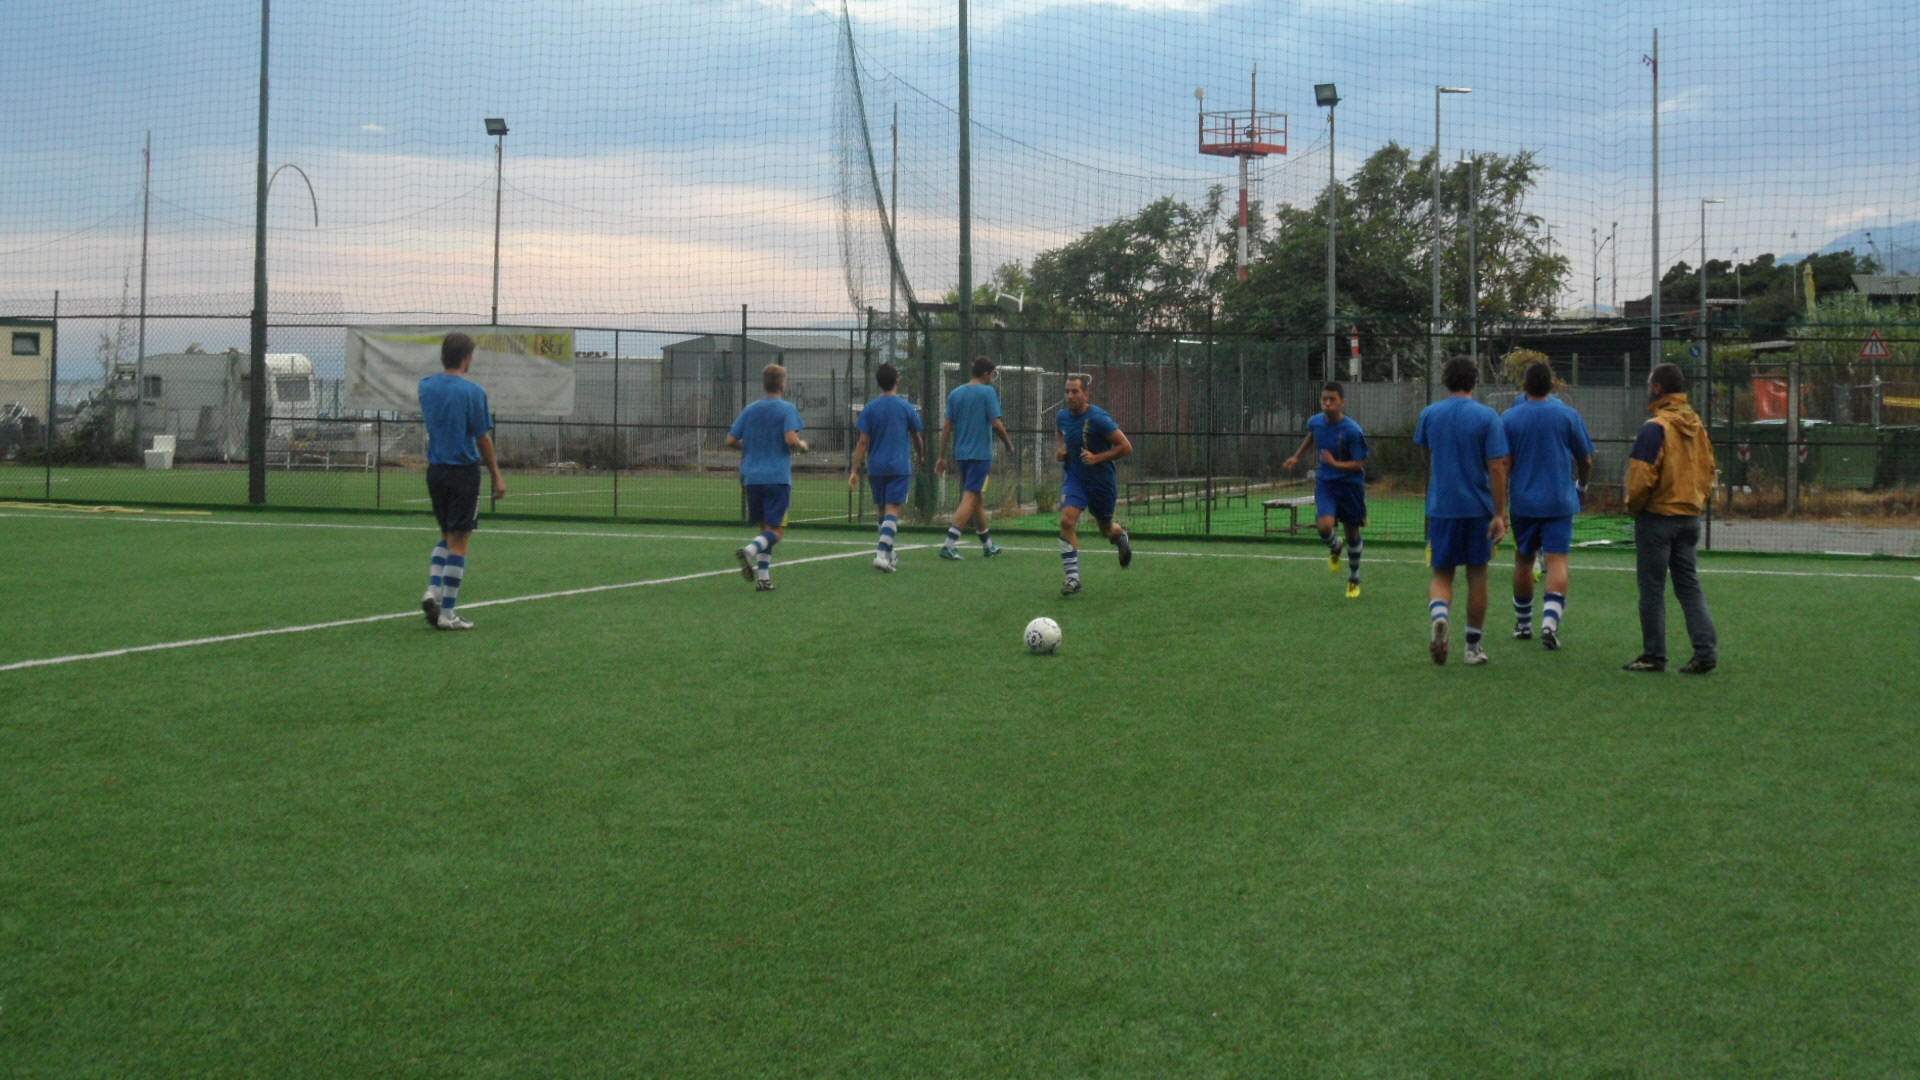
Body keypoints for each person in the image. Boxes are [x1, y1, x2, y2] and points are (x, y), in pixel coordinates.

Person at [1413, 357, 1510, 665]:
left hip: (1442, 508)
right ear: (1474, 382)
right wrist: (1500, 513)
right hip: (1478, 509)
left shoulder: (1430, 414)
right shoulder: (1487, 417)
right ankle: (1472, 648)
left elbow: (1426, 454)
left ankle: (1440, 617)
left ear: (1446, 381)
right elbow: (1497, 467)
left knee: (1442, 573)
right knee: (1477, 576)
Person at [1623, 363, 1719, 674]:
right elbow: (1709, 471)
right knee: (1689, 586)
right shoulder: (1697, 425)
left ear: (1657, 389)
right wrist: (1697, 501)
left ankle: (1654, 655)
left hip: (1658, 517)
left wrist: (1634, 506)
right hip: (1690, 516)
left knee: (1652, 588)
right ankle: (1705, 651)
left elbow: (1640, 475)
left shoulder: (1656, 427)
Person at [1501, 362, 1594, 649]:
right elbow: (1586, 459)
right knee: (1557, 561)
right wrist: (1582, 486)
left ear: (1525, 386)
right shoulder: (1568, 415)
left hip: (1524, 502)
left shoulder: (1509, 418)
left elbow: (1503, 464)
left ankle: (1523, 624)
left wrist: (1500, 503)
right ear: (1552, 385)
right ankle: (1550, 624)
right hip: (1559, 500)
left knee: (1524, 560)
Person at [417, 331, 507, 631]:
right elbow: (482, 437)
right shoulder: (473, 392)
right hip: (463, 472)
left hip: (436, 472)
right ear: (467, 358)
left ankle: (433, 590)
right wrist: (496, 475)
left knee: (446, 534)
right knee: (461, 540)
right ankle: (448, 613)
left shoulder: (426, 387)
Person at [1283, 381, 1370, 598]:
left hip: (1350, 486)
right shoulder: (1315, 422)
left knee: (1352, 532)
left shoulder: (1352, 430)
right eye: (1324, 400)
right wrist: (1297, 456)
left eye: (1332, 400)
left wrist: (1336, 464)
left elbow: (1359, 463)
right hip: (1326, 483)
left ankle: (1354, 578)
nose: (1327, 404)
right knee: (1324, 526)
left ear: (1342, 403)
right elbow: (1312, 436)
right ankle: (1335, 546)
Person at [728, 364, 808, 591]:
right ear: (783, 385)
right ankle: (750, 550)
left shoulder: (750, 409)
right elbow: (791, 439)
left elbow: (730, 441)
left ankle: (764, 578)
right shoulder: (787, 409)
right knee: (776, 531)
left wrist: (750, 448)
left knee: (766, 528)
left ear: (765, 385)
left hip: (752, 478)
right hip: (776, 478)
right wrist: (803, 446)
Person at [1054, 373, 1134, 595]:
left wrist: (1097, 458)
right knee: (1067, 521)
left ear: (1086, 394)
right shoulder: (1062, 417)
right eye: (1067, 391)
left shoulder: (1099, 418)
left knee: (1106, 529)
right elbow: (1062, 437)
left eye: (1075, 391)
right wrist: (1062, 452)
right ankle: (1072, 579)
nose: (1070, 396)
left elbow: (1126, 447)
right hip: (1076, 479)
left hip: (1101, 482)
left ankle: (1120, 537)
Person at [934, 356, 1016, 559]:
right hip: (981, 455)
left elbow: (946, 428)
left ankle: (988, 545)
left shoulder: (956, 393)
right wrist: (1008, 443)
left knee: (977, 499)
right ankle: (949, 544)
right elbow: (996, 424)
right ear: (986, 373)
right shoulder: (988, 392)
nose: (993, 378)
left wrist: (941, 456)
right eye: (993, 373)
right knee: (970, 497)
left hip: (961, 455)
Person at [847, 362, 924, 572]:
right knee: (893, 511)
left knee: (882, 511)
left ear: (879, 383)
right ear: (896, 381)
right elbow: (917, 436)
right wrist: (921, 454)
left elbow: (863, 442)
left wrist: (854, 469)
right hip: (898, 466)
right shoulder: (906, 407)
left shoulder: (870, 408)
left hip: (876, 467)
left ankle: (890, 553)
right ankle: (881, 554)